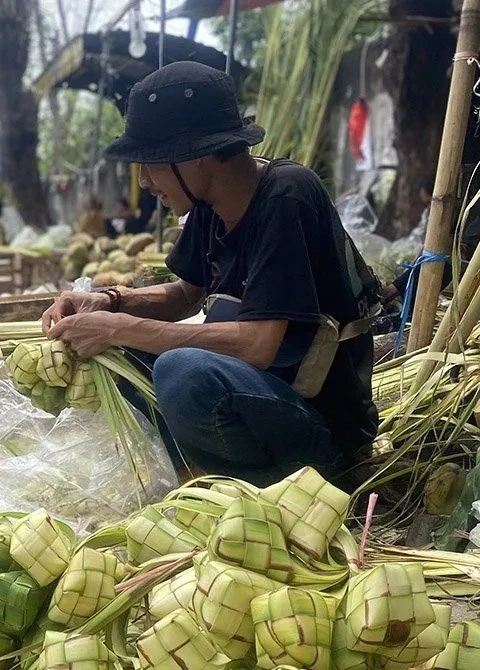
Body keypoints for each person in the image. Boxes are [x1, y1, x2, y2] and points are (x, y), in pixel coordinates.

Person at [41, 61, 380, 486]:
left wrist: (121, 327)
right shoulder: (208, 201)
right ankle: (194, 469)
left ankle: (256, 485)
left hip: (318, 429)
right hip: (256, 400)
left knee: (183, 374)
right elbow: (186, 294)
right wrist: (110, 302)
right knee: (116, 359)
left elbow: (258, 345)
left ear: (198, 158)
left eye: (152, 164)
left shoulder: (286, 196)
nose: (144, 182)